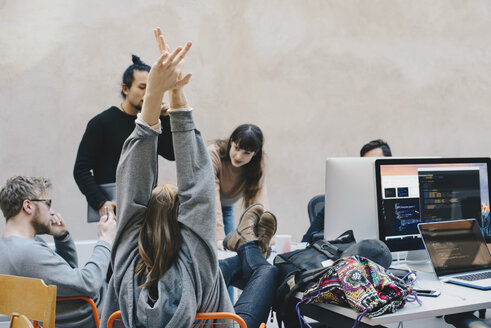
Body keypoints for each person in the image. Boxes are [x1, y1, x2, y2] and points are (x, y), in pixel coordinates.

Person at [100, 27, 278, 328]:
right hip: (214, 312)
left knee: (237, 267)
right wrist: (176, 93)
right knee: (268, 272)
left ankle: (246, 244)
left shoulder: (125, 265)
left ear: (139, 224)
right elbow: (200, 187)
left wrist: (153, 94)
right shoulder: (198, 264)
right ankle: (248, 246)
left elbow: (132, 187)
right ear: (187, 224)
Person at [0, 176, 117, 328]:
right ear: (28, 206)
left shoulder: (10, 247)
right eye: (47, 204)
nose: (52, 212)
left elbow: (66, 275)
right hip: (100, 317)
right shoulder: (28, 253)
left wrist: (62, 237)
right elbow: (89, 283)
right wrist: (105, 240)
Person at [73, 55, 175, 220]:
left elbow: (171, 154)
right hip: (114, 210)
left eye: (152, 87)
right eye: (142, 87)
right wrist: (100, 202)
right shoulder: (101, 122)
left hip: (147, 208)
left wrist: (165, 118)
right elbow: (81, 169)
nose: (148, 93)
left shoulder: (151, 123)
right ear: (126, 89)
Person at [301, 139, 392, 243]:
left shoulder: (393, 201)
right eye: (367, 163)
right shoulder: (341, 203)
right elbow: (306, 241)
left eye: (376, 162)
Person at [208, 124, 268, 250]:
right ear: (231, 142)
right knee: (217, 245)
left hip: (226, 207)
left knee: (231, 247)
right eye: (236, 148)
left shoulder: (256, 166)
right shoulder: (213, 154)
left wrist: (265, 237)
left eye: (246, 153)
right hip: (205, 206)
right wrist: (219, 237)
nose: (239, 156)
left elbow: (259, 203)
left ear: (255, 153)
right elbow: (212, 197)